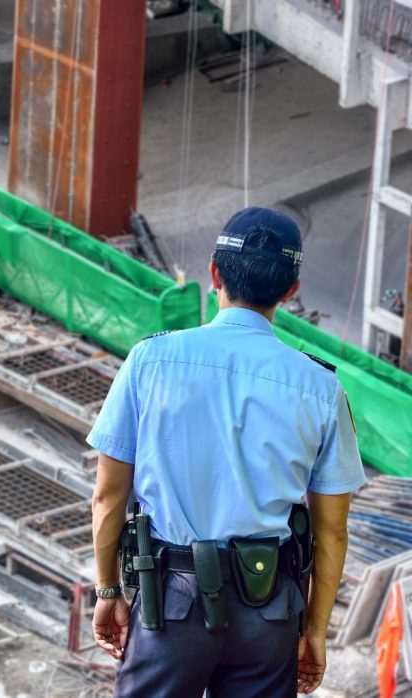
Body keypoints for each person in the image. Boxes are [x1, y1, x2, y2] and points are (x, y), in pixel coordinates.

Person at [87, 207, 365, 697]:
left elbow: (108, 498)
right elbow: (332, 531)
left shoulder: (150, 361)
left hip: (168, 606)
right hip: (268, 612)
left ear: (214, 272)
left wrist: (109, 591)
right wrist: (314, 633)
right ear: (291, 290)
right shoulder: (322, 388)